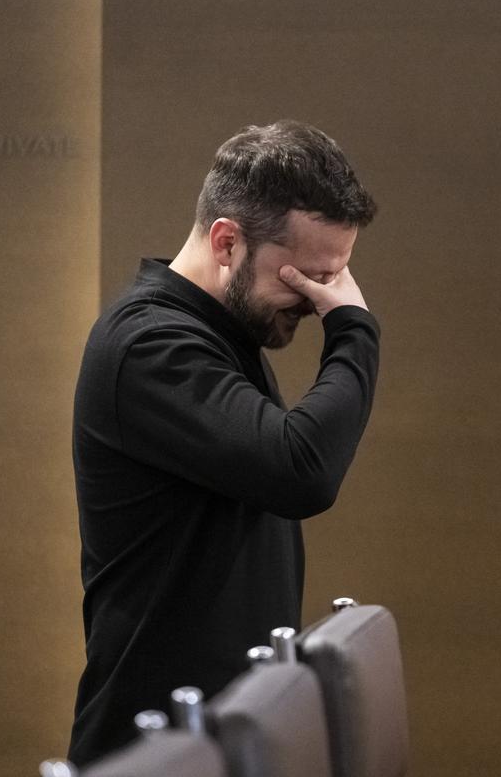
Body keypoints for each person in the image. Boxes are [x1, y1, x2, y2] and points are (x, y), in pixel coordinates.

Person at [67, 120, 380, 765]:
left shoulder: (222, 334)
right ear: (227, 241)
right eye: (304, 278)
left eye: (336, 279)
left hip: (221, 735)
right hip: (155, 749)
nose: (320, 299)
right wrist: (354, 332)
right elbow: (302, 470)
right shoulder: (151, 344)